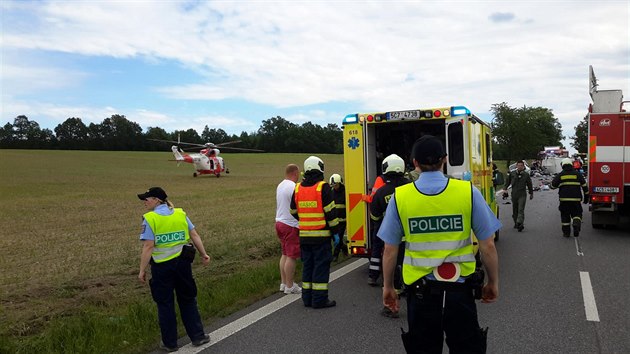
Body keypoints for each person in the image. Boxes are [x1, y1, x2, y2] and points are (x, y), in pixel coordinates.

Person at [378, 135, 500, 353]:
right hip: (460, 293)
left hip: (420, 294)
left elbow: (389, 250)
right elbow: (487, 244)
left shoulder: (401, 197)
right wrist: (492, 282)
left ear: (414, 162)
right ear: (444, 159)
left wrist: (388, 287)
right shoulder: (467, 192)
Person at [137, 187, 211, 352]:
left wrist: (142, 270)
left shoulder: (150, 219)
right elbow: (194, 235)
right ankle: (198, 336)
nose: (144, 202)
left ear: (157, 200)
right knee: (188, 299)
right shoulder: (180, 214)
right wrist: (203, 254)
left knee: (165, 304)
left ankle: (170, 343)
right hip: (183, 265)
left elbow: (148, 246)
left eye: (147, 199)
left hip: (162, 267)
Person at [290, 156, 340, 308]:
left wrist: (305, 220)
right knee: (320, 268)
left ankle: (307, 299)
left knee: (308, 268)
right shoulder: (323, 187)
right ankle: (319, 300)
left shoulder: (297, 188)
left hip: (304, 237)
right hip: (321, 238)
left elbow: (293, 211)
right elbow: (330, 213)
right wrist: (335, 233)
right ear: (320, 169)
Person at [368, 154, 410, 318]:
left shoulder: (381, 193)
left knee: (391, 273)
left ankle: (391, 306)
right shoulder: (413, 188)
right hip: (413, 240)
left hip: (392, 240)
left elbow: (375, 218)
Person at [276, 164, 302, 294]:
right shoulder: (293, 187)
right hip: (290, 224)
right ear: (295, 173)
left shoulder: (280, 185)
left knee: (285, 254)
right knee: (292, 256)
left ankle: (283, 282)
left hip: (279, 222)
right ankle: (290, 286)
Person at [551, 158, 589, 237]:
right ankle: (576, 223)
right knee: (577, 214)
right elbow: (585, 187)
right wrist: (586, 198)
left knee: (565, 216)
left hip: (564, 200)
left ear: (563, 165)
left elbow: (552, 186)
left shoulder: (560, 175)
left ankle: (566, 233)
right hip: (576, 200)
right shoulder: (578, 174)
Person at [503, 160, 533, 232]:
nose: (520, 167)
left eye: (521, 166)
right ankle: (516, 222)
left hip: (522, 194)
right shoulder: (512, 173)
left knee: (521, 209)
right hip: (514, 194)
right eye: (518, 165)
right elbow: (507, 182)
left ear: (523, 167)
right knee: (515, 209)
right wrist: (505, 189)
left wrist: (531, 193)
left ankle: (520, 223)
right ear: (516, 166)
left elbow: (529, 184)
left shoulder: (526, 175)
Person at [329, 173, 348, 261]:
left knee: (339, 237)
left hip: (343, 220)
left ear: (340, 183)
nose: (334, 186)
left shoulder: (345, 192)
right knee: (335, 238)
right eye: (333, 185)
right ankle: (344, 248)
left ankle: (335, 255)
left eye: (335, 184)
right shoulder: (331, 192)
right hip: (335, 220)